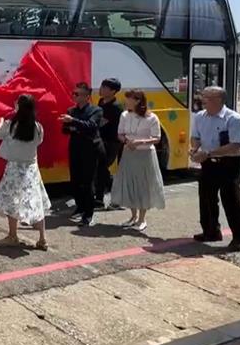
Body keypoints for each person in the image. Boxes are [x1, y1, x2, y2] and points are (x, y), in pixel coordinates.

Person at [190, 86, 240, 252]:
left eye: (206, 98)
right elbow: (195, 137)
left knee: (231, 200)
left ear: (218, 100)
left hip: (229, 163)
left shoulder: (234, 119)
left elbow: (235, 145)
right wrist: (195, 149)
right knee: (207, 198)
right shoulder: (200, 117)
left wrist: (207, 153)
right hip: (208, 163)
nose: (202, 100)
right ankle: (210, 231)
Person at [0, 94, 51, 250]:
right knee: (35, 201)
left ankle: (13, 236)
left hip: (14, 168)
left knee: (12, 201)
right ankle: (42, 238)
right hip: (31, 168)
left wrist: (0, 123)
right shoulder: (37, 127)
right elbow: (39, 142)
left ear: (19, 107)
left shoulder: (11, 125)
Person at [110, 90, 165, 232]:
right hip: (129, 152)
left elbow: (157, 138)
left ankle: (142, 219)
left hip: (145, 154)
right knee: (129, 183)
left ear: (138, 100)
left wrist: (140, 141)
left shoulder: (152, 117)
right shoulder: (124, 115)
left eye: (129, 99)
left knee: (143, 185)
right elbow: (120, 134)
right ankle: (133, 216)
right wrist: (127, 141)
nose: (126, 101)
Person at [59, 82, 103, 227]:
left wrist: (74, 123)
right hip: (76, 147)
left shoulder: (96, 110)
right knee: (75, 180)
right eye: (74, 93)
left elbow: (91, 126)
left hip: (90, 149)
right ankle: (79, 207)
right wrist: (75, 125)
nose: (74, 96)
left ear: (87, 97)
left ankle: (88, 213)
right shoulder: (71, 110)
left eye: (78, 94)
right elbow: (65, 129)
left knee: (88, 181)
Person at [96, 78, 123, 210]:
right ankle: (115, 194)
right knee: (100, 169)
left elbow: (102, 123)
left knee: (101, 168)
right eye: (102, 86)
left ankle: (100, 200)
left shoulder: (116, 107)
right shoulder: (101, 102)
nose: (101, 89)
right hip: (100, 141)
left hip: (111, 142)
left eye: (105, 87)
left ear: (113, 91)